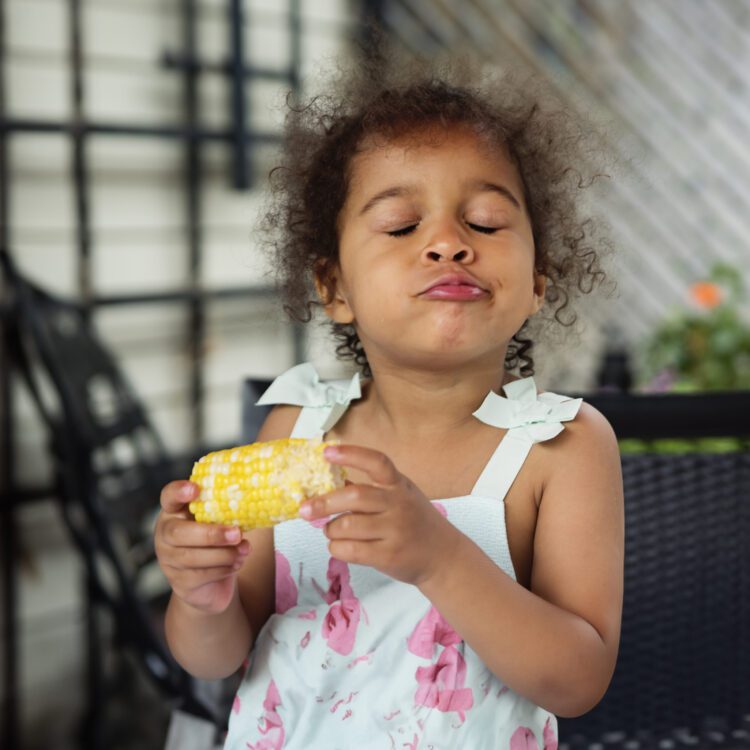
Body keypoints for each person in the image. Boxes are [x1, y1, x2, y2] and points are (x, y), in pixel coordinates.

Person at [155, 53, 624, 749]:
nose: (447, 244)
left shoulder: (560, 447)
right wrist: (199, 597)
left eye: (487, 223)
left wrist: (441, 559)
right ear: (334, 287)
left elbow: (578, 682)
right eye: (402, 226)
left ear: (536, 282)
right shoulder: (296, 426)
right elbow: (215, 656)